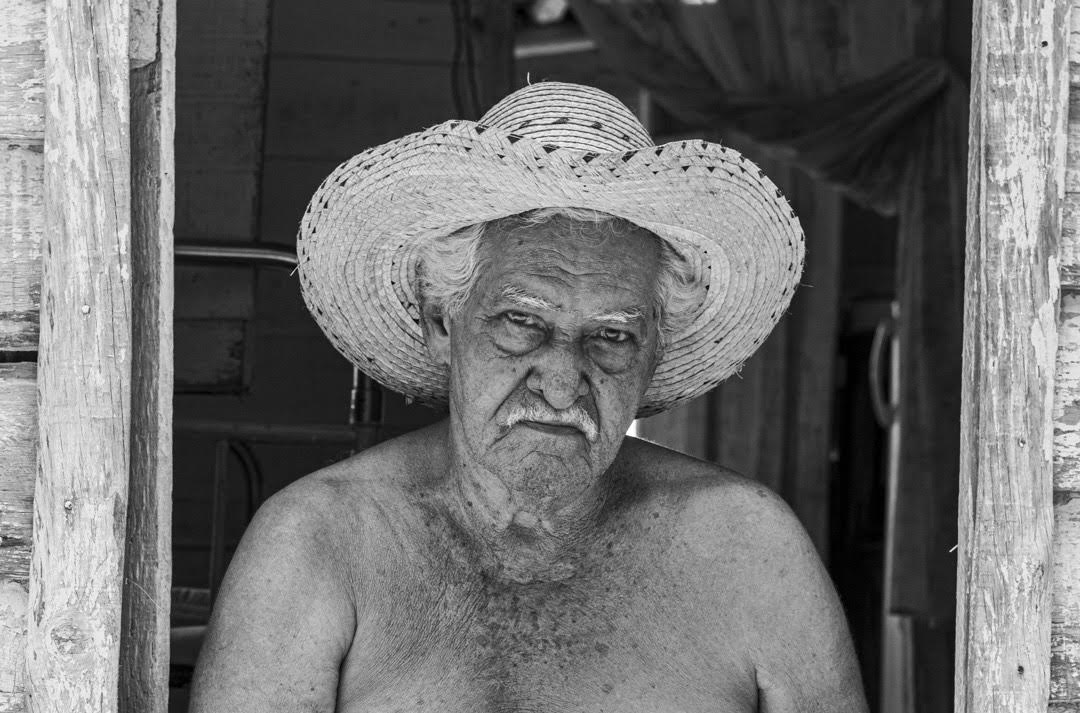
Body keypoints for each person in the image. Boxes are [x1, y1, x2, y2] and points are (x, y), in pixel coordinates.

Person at [190, 82, 867, 712]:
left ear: (653, 353)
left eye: (611, 334)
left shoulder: (749, 546)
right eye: (522, 322)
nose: (563, 379)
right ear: (441, 323)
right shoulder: (320, 543)